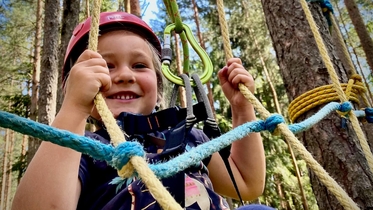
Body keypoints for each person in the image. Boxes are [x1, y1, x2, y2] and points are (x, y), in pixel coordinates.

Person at [11, 11, 273, 210]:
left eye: (139, 65)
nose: (124, 75)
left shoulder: (188, 137)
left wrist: (242, 109)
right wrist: (73, 107)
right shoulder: (84, 149)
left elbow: (247, 184)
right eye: (107, 66)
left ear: (158, 84)